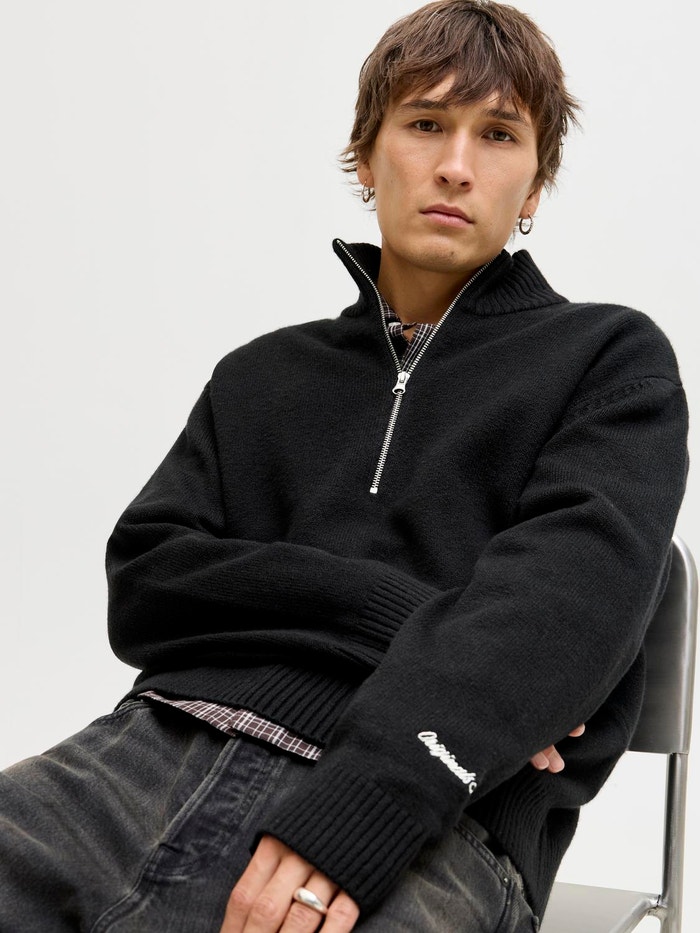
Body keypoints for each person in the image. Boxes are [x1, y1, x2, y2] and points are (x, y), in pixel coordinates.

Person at [0, 1, 688, 931]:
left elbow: (565, 613)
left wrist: (361, 813)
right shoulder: (259, 376)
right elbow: (148, 580)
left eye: (498, 134)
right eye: (425, 123)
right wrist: (425, 621)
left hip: (439, 816)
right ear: (366, 158)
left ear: (535, 185)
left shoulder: (610, 363)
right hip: (138, 759)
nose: (456, 164)